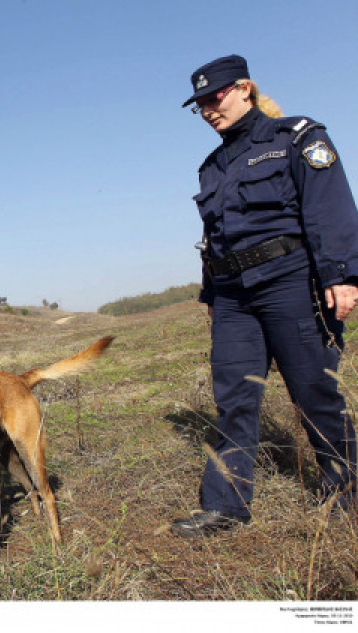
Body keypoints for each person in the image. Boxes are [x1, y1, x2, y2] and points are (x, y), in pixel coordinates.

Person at [172, 54, 358, 537]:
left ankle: (346, 492)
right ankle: (226, 506)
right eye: (201, 106)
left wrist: (341, 275)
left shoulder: (296, 137)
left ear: (244, 88)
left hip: (291, 283)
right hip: (234, 298)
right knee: (234, 398)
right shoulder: (211, 167)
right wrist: (213, 297)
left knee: (314, 391)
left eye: (215, 98)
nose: (209, 110)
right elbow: (216, 237)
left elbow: (329, 206)